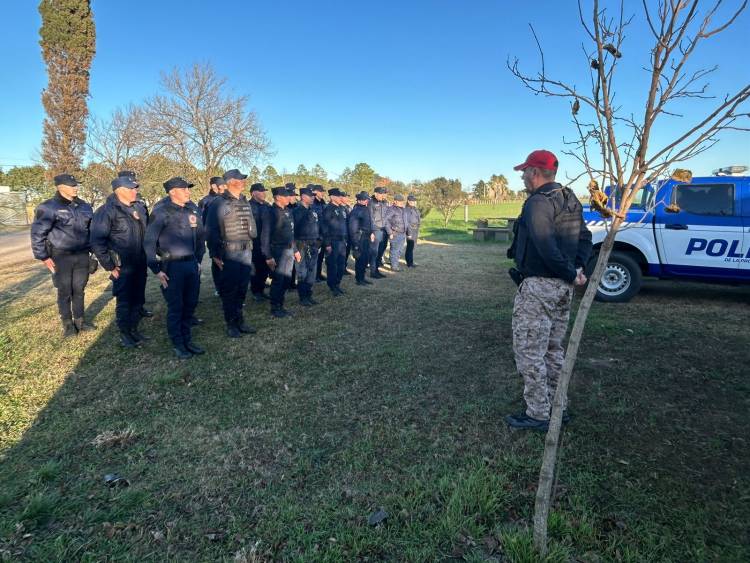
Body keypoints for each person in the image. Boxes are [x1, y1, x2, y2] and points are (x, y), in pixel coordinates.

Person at [505, 150, 592, 431]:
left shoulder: (538, 203)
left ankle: (539, 413)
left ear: (535, 172)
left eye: (524, 171)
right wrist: (577, 269)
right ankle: (558, 406)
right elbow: (586, 238)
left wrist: (570, 271)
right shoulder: (569, 199)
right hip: (563, 288)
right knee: (553, 349)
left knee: (530, 351)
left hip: (540, 286)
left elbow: (545, 245)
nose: (522, 176)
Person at [143, 176, 206, 359]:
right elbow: (148, 242)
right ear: (172, 192)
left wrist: (199, 259)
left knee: (190, 304)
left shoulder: (190, 210)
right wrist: (156, 269)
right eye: (184, 188)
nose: (188, 191)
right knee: (176, 306)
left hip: (191, 264)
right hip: (171, 266)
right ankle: (178, 343)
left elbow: (200, 237)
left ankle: (187, 339)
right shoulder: (161, 212)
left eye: (188, 188)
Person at [30, 173, 95, 337]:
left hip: (82, 255)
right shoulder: (48, 207)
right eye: (71, 185)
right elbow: (38, 234)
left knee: (79, 289)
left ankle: (80, 321)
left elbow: (91, 231)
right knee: (64, 291)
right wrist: (43, 256)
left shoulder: (85, 206)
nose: (75, 188)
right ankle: (67, 324)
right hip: (61, 256)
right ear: (60, 187)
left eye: (76, 185)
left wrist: (95, 251)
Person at [90, 175, 149, 348]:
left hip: (140, 262)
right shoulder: (107, 211)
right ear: (120, 191)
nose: (135, 191)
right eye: (131, 188)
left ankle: (134, 329)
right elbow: (97, 241)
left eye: (135, 188)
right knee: (124, 301)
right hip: (122, 266)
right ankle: (125, 334)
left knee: (138, 298)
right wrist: (110, 266)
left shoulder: (138, 207)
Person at [205, 169, 258, 338]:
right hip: (229, 253)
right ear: (230, 181)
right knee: (229, 290)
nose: (243, 181)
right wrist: (215, 254)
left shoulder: (244, 201)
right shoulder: (218, 203)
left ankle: (240, 321)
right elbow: (211, 230)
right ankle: (231, 324)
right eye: (240, 179)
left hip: (246, 251)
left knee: (242, 288)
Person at [118, 171, 153, 318]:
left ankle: (139, 307)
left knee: (141, 281)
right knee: (125, 288)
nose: (134, 186)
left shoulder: (140, 203)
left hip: (141, 251)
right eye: (130, 182)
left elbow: (147, 223)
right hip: (124, 254)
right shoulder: (114, 204)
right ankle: (125, 319)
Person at [261, 186, 300, 318]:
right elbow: (265, 236)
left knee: (286, 280)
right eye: (286, 195)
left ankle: (281, 305)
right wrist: (268, 256)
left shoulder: (288, 211)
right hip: (278, 250)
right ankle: (275, 307)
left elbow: (292, 233)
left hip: (289, 249)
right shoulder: (270, 212)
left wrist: (295, 250)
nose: (289, 197)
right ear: (278, 197)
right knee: (278, 280)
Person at [293, 186, 321, 305]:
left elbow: (317, 227)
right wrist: (295, 250)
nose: (313, 198)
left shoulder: (312, 211)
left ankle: (309, 295)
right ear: (303, 197)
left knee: (311, 272)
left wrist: (319, 241)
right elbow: (292, 232)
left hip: (313, 245)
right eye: (311, 196)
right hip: (301, 245)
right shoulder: (296, 212)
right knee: (302, 272)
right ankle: (303, 297)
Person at [199, 176, 227, 295]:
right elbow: (203, 221)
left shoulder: (226, 199)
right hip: (214, 236)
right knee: (217, 262)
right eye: (222, 185)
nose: (225, 187)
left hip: (228, 237)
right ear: (214, 186)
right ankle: (219, 288)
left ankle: (228, 286)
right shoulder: (206, 201)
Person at [321, 188, 348, 296]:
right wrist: (327, 243)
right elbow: (324, 227)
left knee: (341, 265)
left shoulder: (341, 208)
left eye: (340, 196)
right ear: (332, 197)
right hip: (333, 242)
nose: (340, 198)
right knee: (332, 265)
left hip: (342, 242)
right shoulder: (328, 209)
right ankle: (332, 286)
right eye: (338, 196)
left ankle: (337, 284)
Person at [249, 182, 272, 302]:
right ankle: (255, 291)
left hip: (266, 242)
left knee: (264, 269)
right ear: (253, 193)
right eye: (261, 191)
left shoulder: (267, 206)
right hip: (254, 243)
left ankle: (261, 290)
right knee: (255, 269)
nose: (264, 193)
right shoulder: (248, 206)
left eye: (264, 191)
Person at [348, 191, 375, 286]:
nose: (367, 201)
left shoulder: (366, 209)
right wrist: (355, 244)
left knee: (365, 258)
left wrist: (372, 232)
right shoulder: (356, 211)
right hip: (360, 238)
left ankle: (362, 277)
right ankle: (359, 279)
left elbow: (370, 222)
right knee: (360, 259)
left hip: (367, 236)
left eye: (367, 199)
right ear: (359, 200)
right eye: (365, 199)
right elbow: (352, 228)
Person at [369, 187, 389, 278]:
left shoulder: (384, 203)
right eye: (381, 193)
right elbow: (370, 218)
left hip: (384, 230)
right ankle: (373, 272)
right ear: (376, 193)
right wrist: (372, 231)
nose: (383, 195)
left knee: (381, 250)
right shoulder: (371, 203)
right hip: (376, 230)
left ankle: (377, 269)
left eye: (384, 193)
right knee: (374, 252)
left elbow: (386, 216)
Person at [385, 194, 408, 271]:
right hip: (395, 233)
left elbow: (405, 221)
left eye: (402, 201)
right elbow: (386, 221)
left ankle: (395, 263)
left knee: (400, 250)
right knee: (394, 250)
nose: (401, 203)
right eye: (399, 201)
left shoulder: (403, 209)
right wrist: (390, 232)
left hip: (403, 233)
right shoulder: (391, 209)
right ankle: (394, 266)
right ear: (395, 201)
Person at [312, 185, 328, 282]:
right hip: (316, 235)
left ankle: (318, 274)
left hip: (322, 234)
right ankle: (314, 276)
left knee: (320, 257)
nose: (322, 193)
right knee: (315, 258)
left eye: (323, 191)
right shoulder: (312, 204)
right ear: (315, 192)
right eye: (320, 191)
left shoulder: (322, 203)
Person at [404, 194, 421, 267]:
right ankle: (409, 263)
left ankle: (411, 261)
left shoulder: (415, 209)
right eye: (412, 201)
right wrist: (409, 233)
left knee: (413, 246)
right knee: (410, 247)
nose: (414, 202)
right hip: (410, 230)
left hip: (415, 229)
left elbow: (417, 219)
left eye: (414, 201)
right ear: (408, 201)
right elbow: (407, 222)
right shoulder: (407, 210)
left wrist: (418, 230)